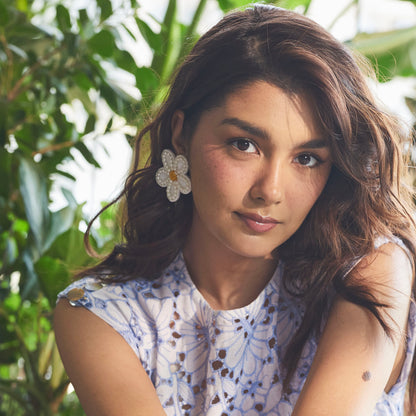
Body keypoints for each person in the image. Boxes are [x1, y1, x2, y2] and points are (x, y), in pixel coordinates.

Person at [54, 4, 416, 415]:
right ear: (180, 133)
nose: (271, 191)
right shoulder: (102, 315)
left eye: (307, 158)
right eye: (244, 144)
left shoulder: (368, 273)